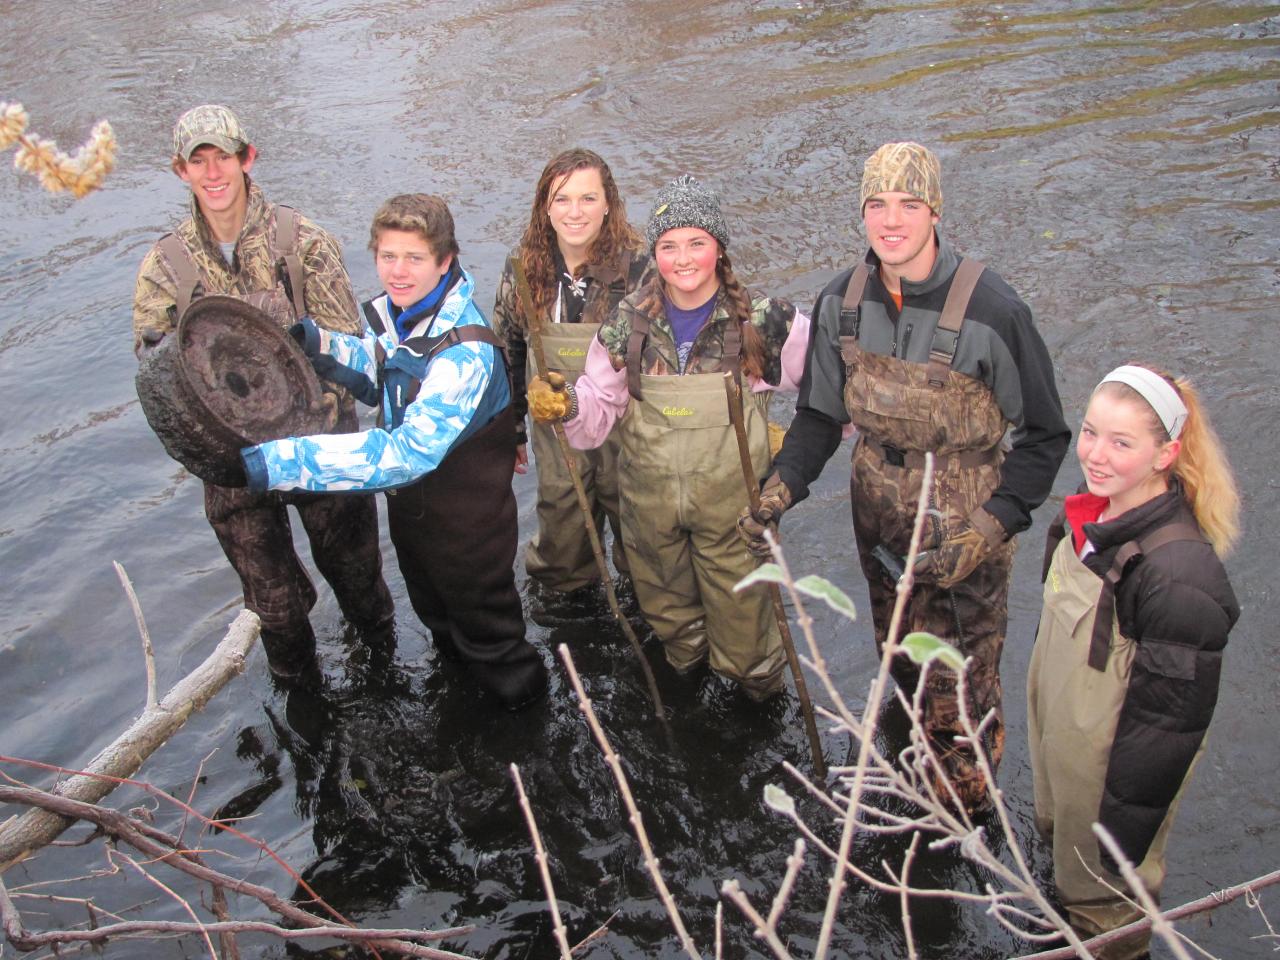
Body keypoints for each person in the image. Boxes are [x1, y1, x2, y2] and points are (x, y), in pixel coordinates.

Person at [742, 142, 1070, 809]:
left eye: (908, 204)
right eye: (877, 204)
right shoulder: (842, 301)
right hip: (878, 519)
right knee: (898, 657)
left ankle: (966, 825)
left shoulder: (994, 311)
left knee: (962, 693)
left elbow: (1046, 437)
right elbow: (817, 419)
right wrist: (777, 492)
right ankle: (907, 770)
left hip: (965, 532)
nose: (891, 220)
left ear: (935, 211)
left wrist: (985, 531)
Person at [239, 194, 547, 711]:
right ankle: (462, 715)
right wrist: (319, 346)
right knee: (439, 625)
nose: (397, 272)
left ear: (445, 261)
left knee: (494, 647)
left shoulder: (465, 352)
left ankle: (525, 734)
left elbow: (404, 454)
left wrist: (279, 463)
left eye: (414, 258)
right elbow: (386, 371)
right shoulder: (401, 318)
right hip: (418, 524)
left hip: (470, 537)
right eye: (387, 256)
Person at [132, 104, 393, 677]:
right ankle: (308, 718)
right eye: (197, 161)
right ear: (181, 170)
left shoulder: (304, 243)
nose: (212, 173)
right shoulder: (163, 266)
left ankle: (384, 677)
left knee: (360, 584)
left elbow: (349, 341)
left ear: (246, 159)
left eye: (222, 157)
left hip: (321, 446)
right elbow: (152, 374)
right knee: (276, 614)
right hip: (234, 469)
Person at [528, 175, 810, 701]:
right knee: (673, 630)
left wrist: (791, 459)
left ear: (719, 248)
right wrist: (564, 404)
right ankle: (689, 706)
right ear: (654, 252)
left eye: (697, 243)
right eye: (668, 246)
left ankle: (757, 714)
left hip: (734, 519)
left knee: (748, 638)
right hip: (649, 512)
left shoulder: (764, 321)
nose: (683, 259)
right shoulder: (627, 322)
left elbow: (829, 396)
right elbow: (598, 411)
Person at [1027, 364, 1239, 958]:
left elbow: (1168, 726)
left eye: (1122, 443)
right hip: (1066, 734)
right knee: (1066, 859)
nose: (1095, 454)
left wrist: (1121, 841)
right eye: (1091, 432)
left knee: (1104, 899)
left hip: (1112, 764)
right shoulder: (1089, 518)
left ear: (1165, 453)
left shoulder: (1179, 576)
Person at [491, 148, 652, 598]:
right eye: (561, 199)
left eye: (587, 198)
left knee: (643, 552)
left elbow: (664, 360)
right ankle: (570, 632)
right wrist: (513, 428)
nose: (575, 212)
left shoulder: (641, 267)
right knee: (562, 552)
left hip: (628, 435)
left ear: (608, 203)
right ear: (545, 206)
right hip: (556, 433)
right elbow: (508, 348)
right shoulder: (522, 266)